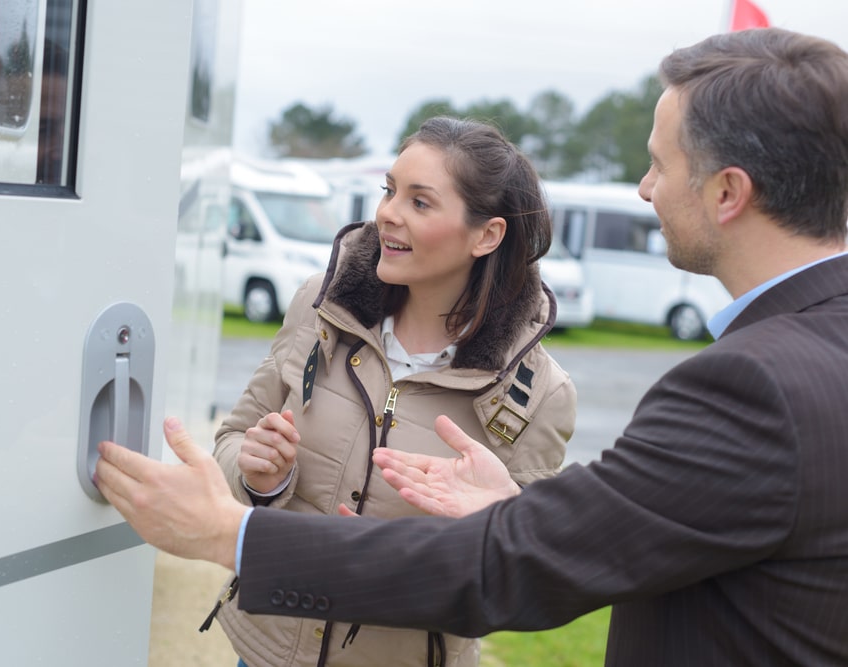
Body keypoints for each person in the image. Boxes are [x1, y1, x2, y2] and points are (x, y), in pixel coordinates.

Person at [95, 27, 848, 665]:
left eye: (659, 162)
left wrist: (235, 535)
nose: (645, 188)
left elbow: (512, 566)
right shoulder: (816, 348)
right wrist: (511, 508)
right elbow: (603, 533)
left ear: (726, 193)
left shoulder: (751, 388)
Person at [205, 116, 576, 667]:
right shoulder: (318, 304)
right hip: (263, 652)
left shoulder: (540, 392)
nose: (387, 213)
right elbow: (232, 438)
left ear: (487, 235)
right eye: (389, 190)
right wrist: (262, 479)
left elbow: (519, 578)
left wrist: (479, 533)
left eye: (420, 202)